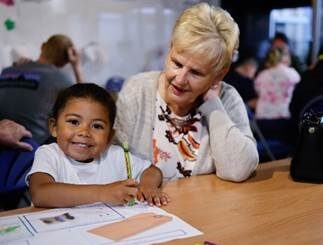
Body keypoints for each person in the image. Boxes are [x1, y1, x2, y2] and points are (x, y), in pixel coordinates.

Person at [115, 3, 259, 182]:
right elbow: (114, 164)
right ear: (170, 49)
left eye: (196, 72)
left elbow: (239, 170)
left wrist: (214, 106)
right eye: (177, 63)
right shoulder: (138, 89)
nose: (180, 79)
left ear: (219, 75)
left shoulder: (227, 98)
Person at [26, 83, 169, 208]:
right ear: (54, 127)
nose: (84, 132)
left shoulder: (114, 155)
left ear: (109, 136)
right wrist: (104, 192)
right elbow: (40, 194)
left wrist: (148, 186)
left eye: (97, 126)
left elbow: (152, 171)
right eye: (74, 122)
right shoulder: (48, 154)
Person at [0, 34, 83, 145]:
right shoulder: (61, 79)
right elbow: (85, 105)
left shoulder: (7, 71)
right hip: (29, 148)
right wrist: (76, 66)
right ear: (66, 60)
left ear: (42, 46)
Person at [255, 48, 300, 120]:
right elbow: (298, 91)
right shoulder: (293, 74)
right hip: (285, 114)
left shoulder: (261, 75)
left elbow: (258, 92)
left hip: (263, 116)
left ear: (267, 62)